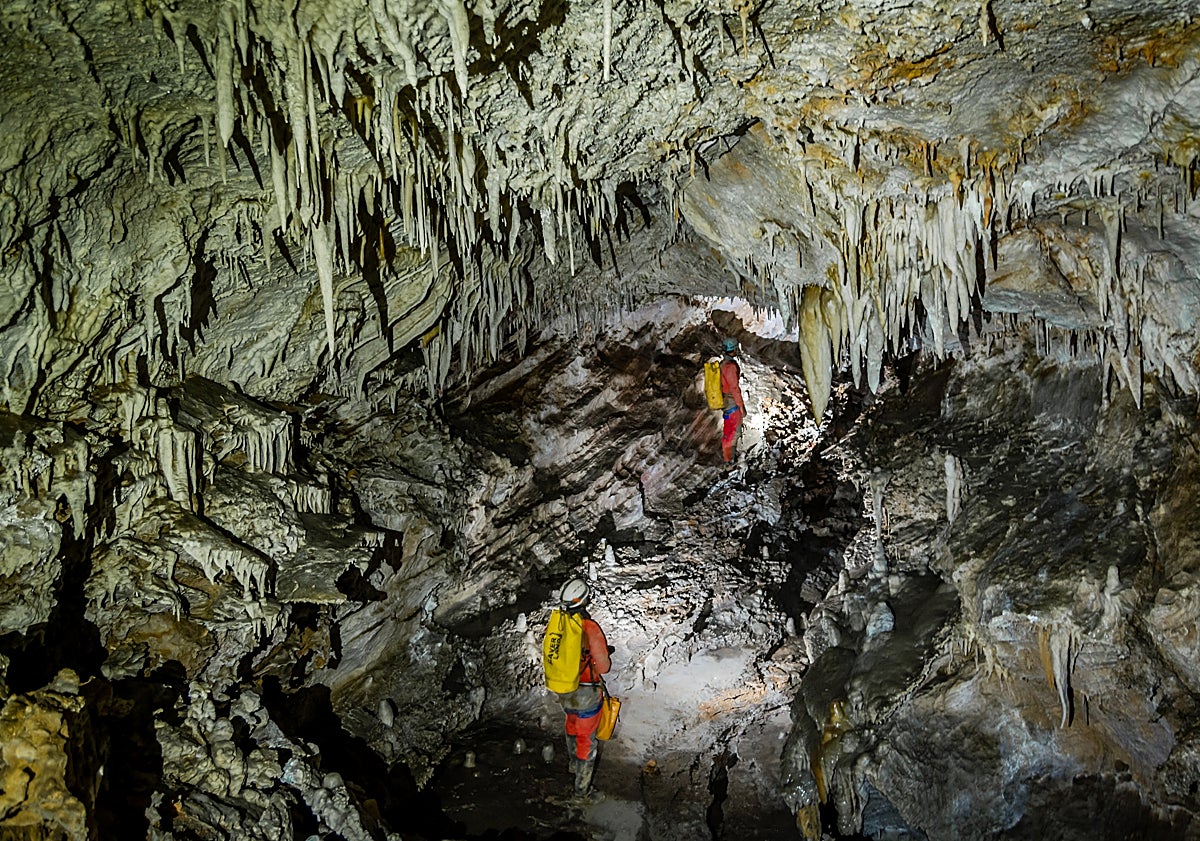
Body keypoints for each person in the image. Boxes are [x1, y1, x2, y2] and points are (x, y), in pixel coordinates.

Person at [552, 578, 611, 796]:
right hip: (586, 691)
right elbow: (604, 667)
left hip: (564, 688)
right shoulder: (589, 628)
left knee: (571, 723)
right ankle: (582, 790)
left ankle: (573, 764)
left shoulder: (558, 625)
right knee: (586, 738)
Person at [719, 337, 746, 463]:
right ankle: (729, 460)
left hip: (726, 401)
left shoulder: (723, 363)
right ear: (734, 349)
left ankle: (728, 458)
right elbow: (734, 388)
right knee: (733, 431)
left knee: (729, 430)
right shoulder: (730, 366)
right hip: (732, 402)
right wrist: (741, 406)